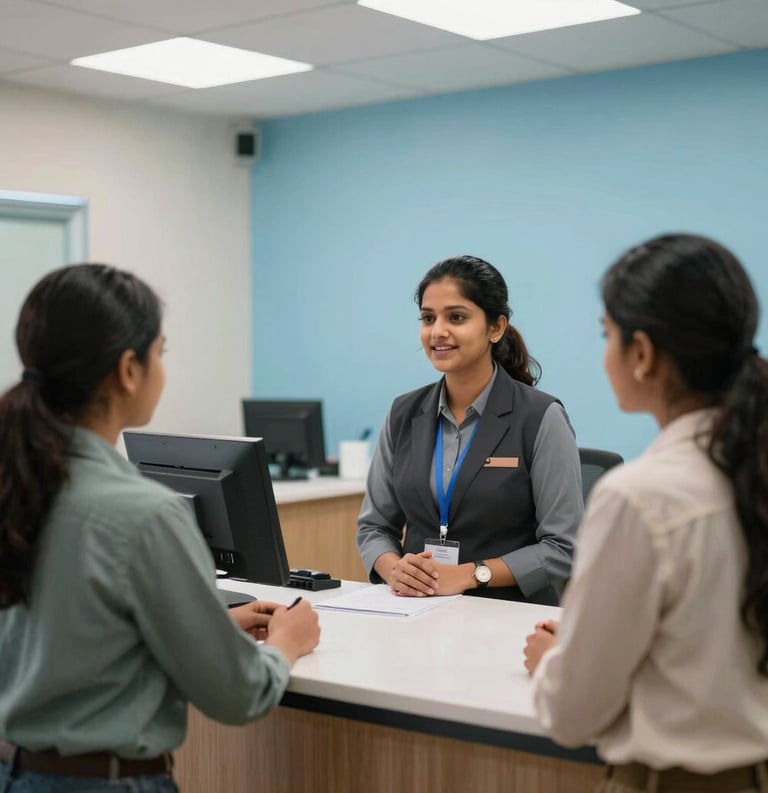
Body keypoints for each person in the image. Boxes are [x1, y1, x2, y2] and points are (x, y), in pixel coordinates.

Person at [0, 264, 320, 792]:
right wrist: (287, 643)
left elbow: (65, 637)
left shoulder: (18, 484)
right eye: (161, 353)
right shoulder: (143, 513)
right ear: (129, 369)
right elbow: (237, 695)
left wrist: (201, 627)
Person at [524, 234, 768, 793]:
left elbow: (573, 713)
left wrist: (555, 661)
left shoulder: (640, 496)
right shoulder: (747, 466)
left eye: (607, 335)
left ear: (642, 353)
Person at [356, 255, 582, 605]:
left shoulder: (540, 417)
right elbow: (374, 527)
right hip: (417, 611)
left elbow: (564, 547)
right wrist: (393, 569)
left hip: (508, 613)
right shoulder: (403, 413)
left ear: (496, 328)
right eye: (428, 318)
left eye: (456, 317)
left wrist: (470, 574)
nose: (438, 331)